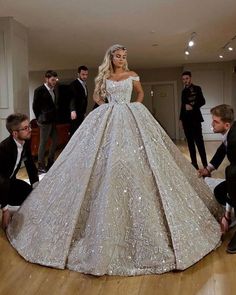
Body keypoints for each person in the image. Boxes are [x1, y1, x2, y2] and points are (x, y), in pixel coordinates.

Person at [7, 45, 222, 276]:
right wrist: (106, 106)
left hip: (130, 115)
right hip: (109, 115)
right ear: (111, 57)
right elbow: (98, 96)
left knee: (145, 158)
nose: (121, 59)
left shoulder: (132, 75)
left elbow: (139, 93)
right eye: (118, 56)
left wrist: (134, 106)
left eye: (124, 56)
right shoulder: (105, 77)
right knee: (100, 158)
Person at [198, 104, 236, 252]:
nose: (212, 124)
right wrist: (208, 169)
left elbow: (233, 177)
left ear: (226, 125)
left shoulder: (234, 142)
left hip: (235, 174)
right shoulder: (231, 131)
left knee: (231, 173)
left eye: (215, 122)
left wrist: (226, 215)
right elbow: (222, 150)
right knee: (220, 191)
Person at [0, 113, 38, 230]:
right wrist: (5, 211)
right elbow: (2, 179)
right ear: (15, 133)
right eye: (25, 128)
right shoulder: (3, 149)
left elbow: (30, 163)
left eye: (29, 126)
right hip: (1, 182)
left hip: (10, 181)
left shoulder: (25, 139)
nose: (30, 130)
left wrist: (36, 185)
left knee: (30, 195)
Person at [179, 71, 208, 170]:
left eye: (186, 78)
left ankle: (205, 165)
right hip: (186, 121)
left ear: (190, 78)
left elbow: (203, 101)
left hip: (195, 120)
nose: (185, 81)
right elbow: (182, 107)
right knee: (190, 144)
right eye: (183, 79)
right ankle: (194, 164)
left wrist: (192, 106)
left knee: (200, 143)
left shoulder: (197, 88)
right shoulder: (183, 91)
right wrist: (181, 120)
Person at [33, 70, 58, 173]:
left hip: (52, 120)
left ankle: (51, 161)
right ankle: (41, 165)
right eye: (52, 80)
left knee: (55, 140)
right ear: (46, 79)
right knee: (43, 143)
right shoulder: (39, 90)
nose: (54, 82)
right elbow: (35, 106)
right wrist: (39, 119)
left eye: (55, 80)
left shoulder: (53, 90)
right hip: (43, 121)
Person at [69, 66, 88, 137]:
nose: (85, 76)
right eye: (83, 74)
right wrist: (72, 110)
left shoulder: (84, 84)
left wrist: (84, 112)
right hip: (75, 113)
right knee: (74, 133)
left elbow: (84, 99)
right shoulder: (73, 84)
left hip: (81, 113)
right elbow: (72, 98)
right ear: (78, 74)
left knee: (80, 133)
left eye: (86, 74)